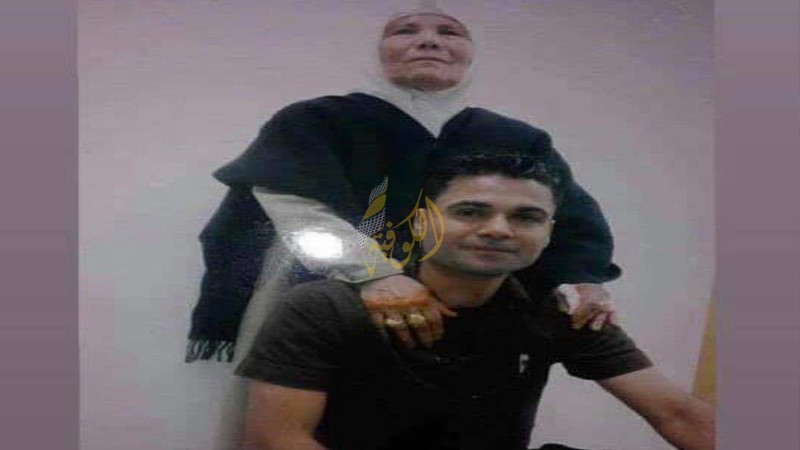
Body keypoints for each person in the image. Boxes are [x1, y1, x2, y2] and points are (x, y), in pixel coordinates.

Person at [190, 8, 621, 450]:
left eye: (450, 32)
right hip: (317, 291)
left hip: (468, 310)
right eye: (405, 30)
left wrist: (581, 281)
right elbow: (299, 213)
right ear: (374, 50)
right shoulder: (316, 120)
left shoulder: (516, 138)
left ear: (472, 53)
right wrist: (374, 273)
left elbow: (563, 216)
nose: (430, 40)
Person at [235, 149, 714, 450]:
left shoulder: (558, 311)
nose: (498, 229)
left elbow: (678, 413)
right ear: (422, 222)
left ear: (548, 233)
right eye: (470, 211)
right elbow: (276, 440)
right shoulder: (325, 307)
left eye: (526, 217)